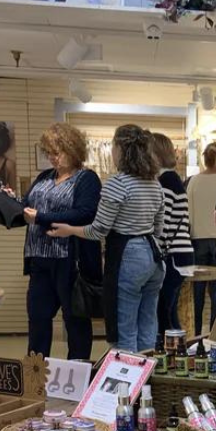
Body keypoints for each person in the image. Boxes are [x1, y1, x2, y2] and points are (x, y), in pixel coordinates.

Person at [48, 125, 166, 353]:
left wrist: (70, 230)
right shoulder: (154, 184)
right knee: (148, 324)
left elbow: (99, 230)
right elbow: (158, 227)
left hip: (128, 256)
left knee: (125, 328)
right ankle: (150, 381)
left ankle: (128, 385)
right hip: (153, 257)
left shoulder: (117, 184)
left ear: (121, 149)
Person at [20, 123, 102, 360]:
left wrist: (42, 218)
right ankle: (35, 381)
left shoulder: (86, 178)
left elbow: (86, 213)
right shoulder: (44, 177)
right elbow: (28, 209)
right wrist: (11, 206)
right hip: (39, 259)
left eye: (58, 152)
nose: (53, 158)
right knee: (38, 320)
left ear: (73, 149)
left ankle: (77, 379)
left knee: (75, 321)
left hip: (70, 262)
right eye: (49, 153)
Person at [152, 133, 195, 345]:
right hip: (180, 254)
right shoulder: (173, 179)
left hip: (172, 256)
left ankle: (177, 354)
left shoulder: (166, 181)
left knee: (164, 312)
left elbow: (164, 223)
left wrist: (154, 250)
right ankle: (179, 353)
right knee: (168, 310)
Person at [185, 142, 216, 334]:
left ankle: (195, 335)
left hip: (197, 241)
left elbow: (187, 214)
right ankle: (214, 333)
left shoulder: (193, 181)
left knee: (197, 291)